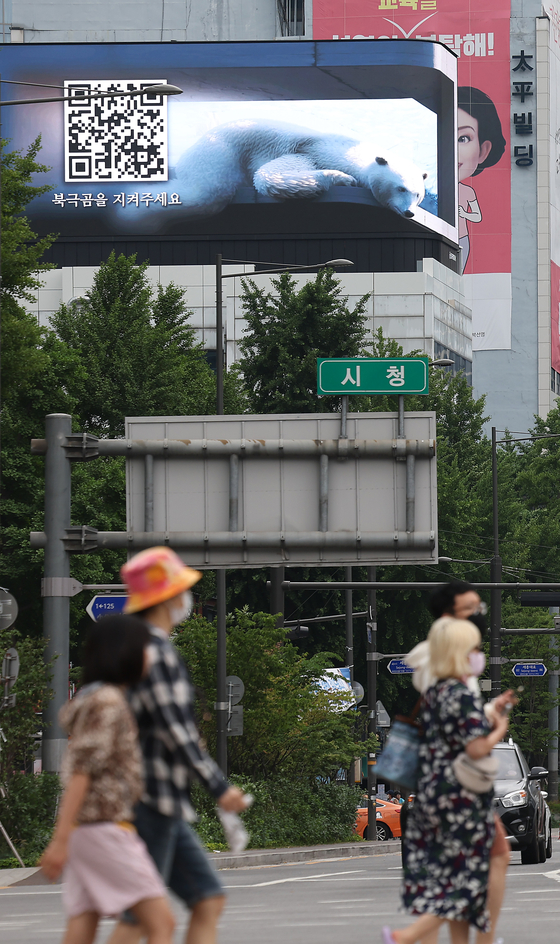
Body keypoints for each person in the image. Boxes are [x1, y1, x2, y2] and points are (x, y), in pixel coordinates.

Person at [107, 546, 248, 944]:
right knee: (143, 916)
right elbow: (177, 731)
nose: (188, 601)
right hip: (151, 797)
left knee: (206, 898)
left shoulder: (136, 650)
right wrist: (220, 788)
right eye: (183, 592)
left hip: (157, 798)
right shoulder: (156, 652)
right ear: (167, 599)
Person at [40, 615, 175, 944]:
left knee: (83, 923)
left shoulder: (94, 699)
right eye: (144, 649)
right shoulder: (108, 703)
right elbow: (84, 770)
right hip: (103, 827)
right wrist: (58, 840)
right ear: (124, 653)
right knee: (161, 923)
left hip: (87, 830)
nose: (149, 657)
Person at [382, 617, 510, 944]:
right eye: (474, 648)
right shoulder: (460, 694)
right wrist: (499, 728)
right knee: (472, 878)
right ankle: (406, 936)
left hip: (433, 794)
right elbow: (476, 746)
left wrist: (487, 715)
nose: (478, 654)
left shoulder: (435, 692)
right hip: (461, 798)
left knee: (455, 874)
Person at [457, 87, 506, 274]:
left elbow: (477, 216)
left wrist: (464, 213)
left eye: (463, 138)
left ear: (483, 151)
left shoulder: (468, 192)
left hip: (461, 239)